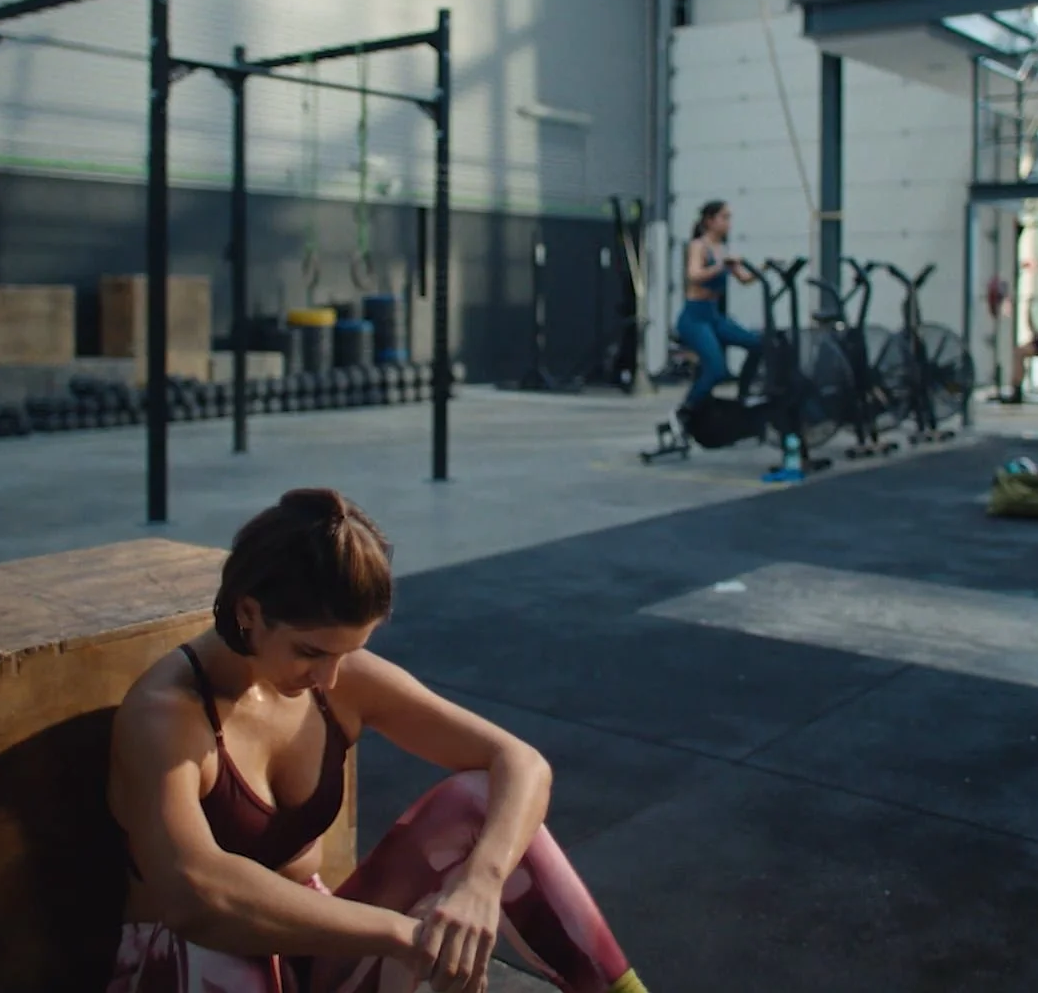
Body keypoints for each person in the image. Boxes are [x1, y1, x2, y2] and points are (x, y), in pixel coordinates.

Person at [107, 488, 648, 993]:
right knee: (216, 951)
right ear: (248, 612)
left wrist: (480, 884)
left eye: (347, 653)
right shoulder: (168, 715)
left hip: (316, 953)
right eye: (311, 652)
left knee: (480, 801)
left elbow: (520, 762)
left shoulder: (337, 682)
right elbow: (195, 894)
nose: (329, 678)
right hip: (189, 963)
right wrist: (399, 934)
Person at [674, 200, 762, 422]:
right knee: (716, 369)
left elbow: (744, 279)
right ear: (710, 221)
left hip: (713, 315)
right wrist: (721, 266)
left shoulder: (722, 248)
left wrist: (765, 268)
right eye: (724, 217)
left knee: (757, 343)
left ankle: (744, 396)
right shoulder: (699, 246)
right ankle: (686, 411)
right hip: (695, 317)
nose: (729, 222)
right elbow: (694, 275)